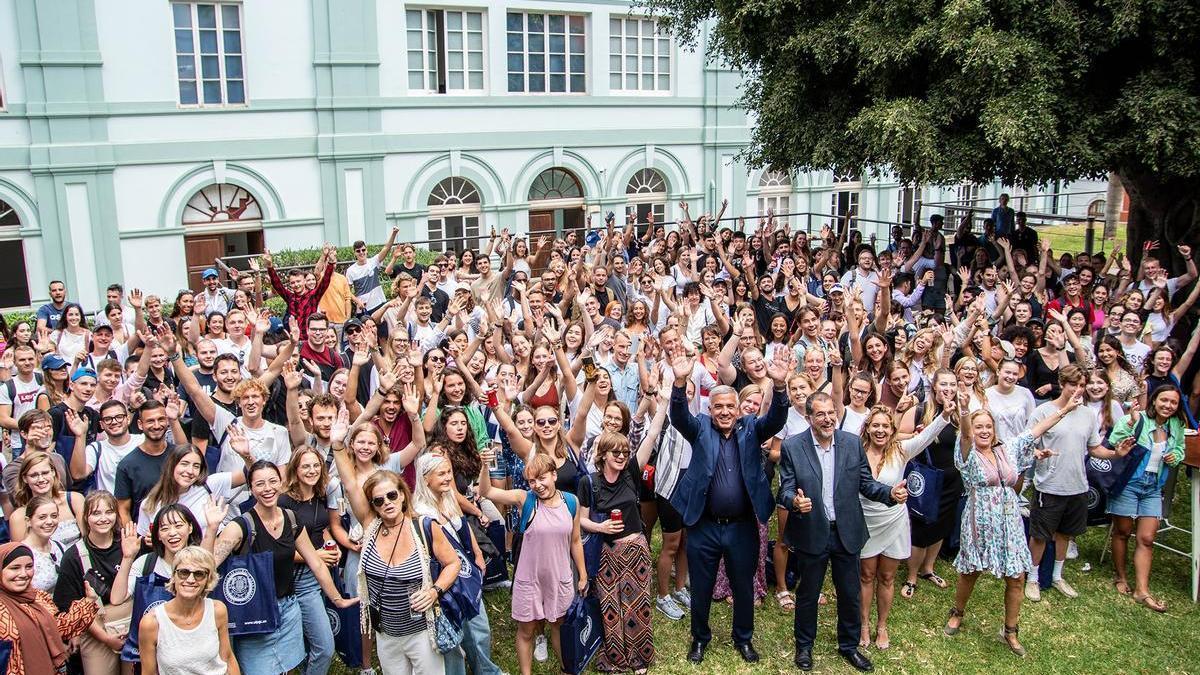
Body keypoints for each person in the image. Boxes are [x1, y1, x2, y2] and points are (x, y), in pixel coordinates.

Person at [666, 349, 790, 665]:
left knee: (743, 585)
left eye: (729, 407)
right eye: (718, 407)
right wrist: (679, 383)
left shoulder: (751, 428)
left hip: (742, 525)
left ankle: (743, 638)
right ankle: (699, 639)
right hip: (704, 525)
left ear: (738, 410)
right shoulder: (699, 427)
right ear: (710, 409)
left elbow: (777, 418)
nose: (724, 412)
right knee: (703, 586)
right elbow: (678, 415)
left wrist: (778, 386)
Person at [777, 392, 909, 672]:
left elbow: (865, 483)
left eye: (831, 413)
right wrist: (794, 502)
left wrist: (889, 493)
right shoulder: (793, 447)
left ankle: (849, 646)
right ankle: (804, 647)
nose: (827, 419)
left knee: (850, 592)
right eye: (820, 414)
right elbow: (785, 488)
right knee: (809, 593)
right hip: (812, 530)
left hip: (846, 531)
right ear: (810, 417)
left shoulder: (850, 443)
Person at [943, 404, 1087, 656]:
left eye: (988, 426)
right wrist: (965, 410)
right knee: (971, 571)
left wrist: (1065, 408)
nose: (984, 431)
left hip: (1009, 520)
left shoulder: (1007, 449)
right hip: (980, 519)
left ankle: (1010, 630)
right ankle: (957, 612)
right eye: (979, 427)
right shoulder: (967, 453)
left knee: (1016, 576)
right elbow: (965, 435)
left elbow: (1036, 429)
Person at [331, 416, 461, 675]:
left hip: (421, 632)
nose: (386, 503)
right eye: (378, 501)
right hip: (386, 634)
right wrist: (336, 444)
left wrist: (435, 591)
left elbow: (452, 563)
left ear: (403, 494)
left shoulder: (423, 527)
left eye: (392, 495)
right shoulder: (371, 525)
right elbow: (349, 483)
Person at [211, 461, 358, 674]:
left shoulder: (291, 518)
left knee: (287, 668)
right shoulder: (241, 526)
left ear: (281, 484)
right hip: (255, 615)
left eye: (272, 481)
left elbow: (315, 561)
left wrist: (337, 599)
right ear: (251, 489)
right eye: (260, 484)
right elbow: (207, 564)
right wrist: (212, 529)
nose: (267, 488)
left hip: (288, 609)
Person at [857, 392, 955, 650]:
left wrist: (945, 415)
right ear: (867, 428)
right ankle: (864, 624)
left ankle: (882, 626)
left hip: (894, 521)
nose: (880, 430)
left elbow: (924, 437)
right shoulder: (855, 451)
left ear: (892, 430)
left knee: (887, 577)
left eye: (885, 426)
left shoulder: (901, 450)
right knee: (866, 575)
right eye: (875, 425)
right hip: (866, 521)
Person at [478, 452, 585, 675]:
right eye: (532, 481)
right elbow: (487, 492)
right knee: (526, 630)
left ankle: (567, 669)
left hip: (559, 576)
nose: (537, 485)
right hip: (529, 578)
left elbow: (575, 540)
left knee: (557, 625)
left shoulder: (571, 502)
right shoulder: (524, 499)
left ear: (554, 475)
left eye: (542, 478)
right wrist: (485, 467)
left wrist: (583, 575)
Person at [411, 452, 501, 675]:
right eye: (441, 474)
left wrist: (478, 554)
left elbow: (464, 526)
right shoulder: (421, 513)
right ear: (425, 478)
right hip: (444, 583)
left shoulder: (448, 497)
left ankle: (486, 670)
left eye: (449, 472)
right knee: (453, 639)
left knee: (479, 628)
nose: (447, 478)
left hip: (467, 573)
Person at [1104, 385, 1189, 612]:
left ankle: (1142, 590)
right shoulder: (1139, 419)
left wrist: (1175, 456)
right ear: (1154, 401)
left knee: (1147, 538)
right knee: (1122, 531)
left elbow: (1180, 449)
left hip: (1153, 485)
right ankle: (1121, 576)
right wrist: (1131, 421)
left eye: (1173, 402)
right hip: (1129, 483)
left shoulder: (1177, 425)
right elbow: (1115, 440)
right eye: (1164, 400)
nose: (1168, 406)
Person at [1025, 365, 1104, 602]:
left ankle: (1058, 576)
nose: (1078, 390)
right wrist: (1038, 453)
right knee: (1040, 535)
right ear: (1062, 384)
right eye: (1073, 385)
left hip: (1077, 485)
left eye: (1082, 386)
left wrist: (1116, 453)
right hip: (1049, 484)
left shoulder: (1089, 415)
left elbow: (1094, 448)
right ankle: (1032, 578)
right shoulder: (1044, 411)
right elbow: (1027, 443)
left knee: (1065, 534)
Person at [52, 491, 135, 675]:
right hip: (95, 629)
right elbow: (71, 606)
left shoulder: (128, 544)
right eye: (96, 513)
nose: (103, 518)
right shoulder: (73, 556)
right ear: (85, 517)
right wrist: (106, 638)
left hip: (129, 624)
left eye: (109, 512)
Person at [277, 447, 342, 675]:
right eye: (306, 466)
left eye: (316, 465)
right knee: (324, 647)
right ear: (295, 469)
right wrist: (316, 556)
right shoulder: (283, 502)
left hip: (322, 573)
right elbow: (279, 550)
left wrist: (330, 544)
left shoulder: (320, 496)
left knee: (311, 645)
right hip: (301, 579)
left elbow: (321, 527)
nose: (312, 470)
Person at [137, 545, 240, 675]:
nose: (190, 580)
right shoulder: (152, 623)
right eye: (184, 572)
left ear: (208, 579)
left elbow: (227, 658)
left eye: (199, 574)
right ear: (173, 576)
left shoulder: (217, 610)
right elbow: (149, 672)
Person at [0, 540, 99, 675]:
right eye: (15, 568)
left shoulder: (39, 597)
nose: (23, 574)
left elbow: (59, 628)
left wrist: (89, 601)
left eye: (29, 566)